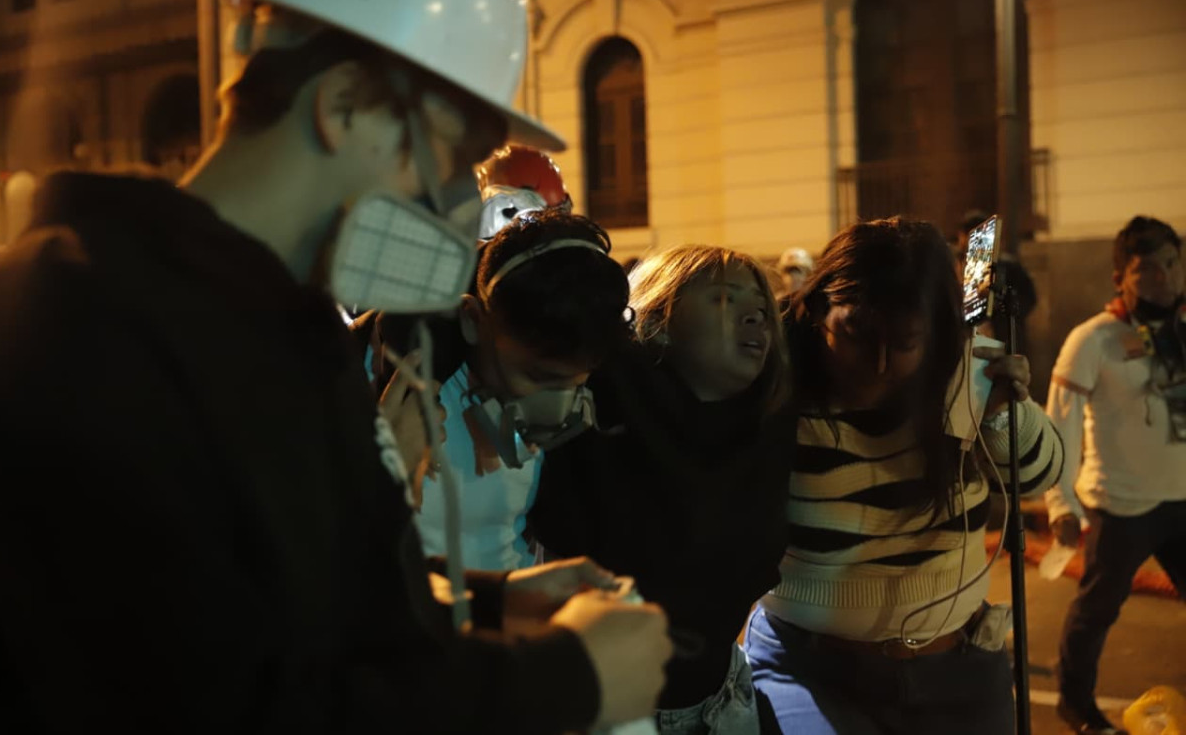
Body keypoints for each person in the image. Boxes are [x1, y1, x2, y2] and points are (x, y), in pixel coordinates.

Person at [0, 0, 671, 732]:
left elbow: (293, 593)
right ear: (343, 104)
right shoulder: (77, 322)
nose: (459, 205)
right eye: (455, 159)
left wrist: (481, 602)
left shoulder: (284, 324)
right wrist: (563, 681)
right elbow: (202, 696)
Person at [744, 217, 1064, 735]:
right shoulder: (774, 382)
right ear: (821, 304)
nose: (879, 361)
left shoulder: (963, 372)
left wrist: (1005, 414)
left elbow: (1043, 474)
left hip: (958, 673)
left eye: (906, 342)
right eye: (856, 335)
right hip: (809, 670)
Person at [530, 245, 796, 735]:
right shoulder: (595, 410)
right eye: (725, 298)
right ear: (659, 316)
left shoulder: (765, 427)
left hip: (725, 700)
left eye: (761, 308)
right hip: (608, 713)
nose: (756, 318)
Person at [410, 209, 630, 569]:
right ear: (472, 321)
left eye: (576, 383)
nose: (559, 408)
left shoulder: (597, 415)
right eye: (537, 377)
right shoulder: (399, 397)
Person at [1044, 216, 1186, 735]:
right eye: (1146, 268)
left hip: (1183, 497)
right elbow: (1056, 424)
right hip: (1120, 504)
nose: (1164, 278)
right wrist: (1060, 504)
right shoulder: (1093, 339)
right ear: (1119, 278)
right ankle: (1076, 705)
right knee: (1096, 611)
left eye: (1171, 264)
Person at [953, 210, 1038, 352]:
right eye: (966, 235)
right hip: (965, 343)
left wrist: (1000, 300)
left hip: (999, 340)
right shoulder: (954, 265)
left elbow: (1028, 299)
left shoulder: (1008, 267)